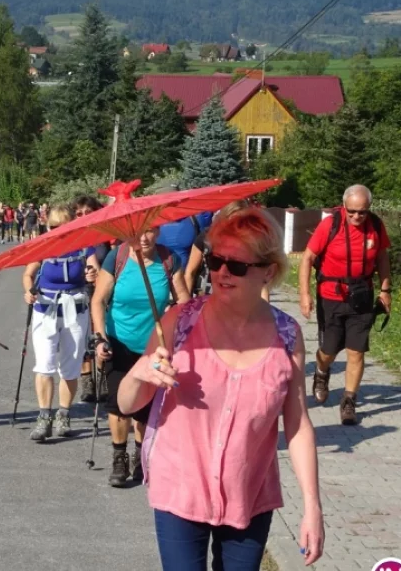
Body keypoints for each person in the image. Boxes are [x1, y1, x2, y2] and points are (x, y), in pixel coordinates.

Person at [117, 207, 324, 570]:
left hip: (250, 495)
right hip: (180, 490)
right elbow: (126, 402)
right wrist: (139, 375)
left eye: (238, 265)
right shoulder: (178, 323)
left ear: (269, 272)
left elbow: (298, 424)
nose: (222, 272)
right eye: (215, 260)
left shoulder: (287, 336)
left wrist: (312, 507)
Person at [91, 228, 190, 487]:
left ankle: (140, 455)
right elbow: (98, 301)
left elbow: (184, 301)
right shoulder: (117, 257)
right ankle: (119, 457)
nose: (144, 239)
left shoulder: (169, 261)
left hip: (153, 347)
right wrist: (100, 338)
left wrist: (173, 317)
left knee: (145, 409)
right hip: (118, 342)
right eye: (138, 234)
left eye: (150, 232)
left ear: (158, 232)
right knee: (119, 405)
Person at [298, 184, 392, 426]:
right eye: (352, 211)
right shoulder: (331, 224)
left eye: (362, 212)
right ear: (344, 206)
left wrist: (385, 290)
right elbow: (307, 258)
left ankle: (349, 400)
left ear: (369, 209)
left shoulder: (376, 226)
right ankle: (321, 371)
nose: (356, 217)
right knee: (328, 350)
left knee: (356, 351)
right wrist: (305, 294)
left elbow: (382, 257)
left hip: (362, 296)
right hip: (330, 295)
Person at [22, 205, 100, 441]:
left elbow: (93, 267)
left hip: (75, 310)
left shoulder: (84, 244)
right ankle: (44, 416)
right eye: (53, 227)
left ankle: (63, 414)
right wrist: (28, 291)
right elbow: (28, 274)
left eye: (63, 227)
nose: (58, 231)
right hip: (45, 309)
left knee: (71, 365)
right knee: (44, 364)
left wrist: (91, 274)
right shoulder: (42, 245)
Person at [72, 194, 110, 404]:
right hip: (78, 290)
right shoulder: (71, 237)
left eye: (88, 212)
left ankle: (102, 377)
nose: (84, 216)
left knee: (99, 332)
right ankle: (87, 382)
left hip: (102, 289)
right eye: (79, 213)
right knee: (82, 335)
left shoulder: (105, 235)